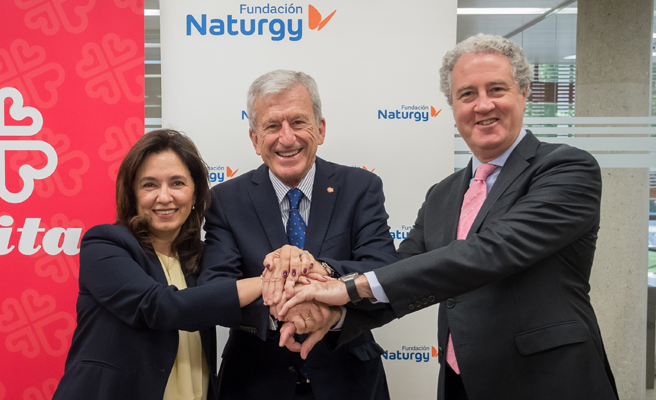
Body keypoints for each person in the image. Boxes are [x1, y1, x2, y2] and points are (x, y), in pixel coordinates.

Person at [279, 34, 619, 400]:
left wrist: (346, 287)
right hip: (460, 383)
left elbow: (490, 251)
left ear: (524, 92)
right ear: (453, 106)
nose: (482, 105)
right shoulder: (443, 193)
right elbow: (405, 272)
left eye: (497, 89)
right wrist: (337, 315)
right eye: (467, 94)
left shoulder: (566, 168)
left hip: (549, 383)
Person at [198, 70, 398, 400]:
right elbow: (216, 289)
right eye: (272, 126)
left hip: (349, 382)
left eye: (298, 122)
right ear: (254, 138)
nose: (287, 138)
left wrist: (321, 271)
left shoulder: (360, 188)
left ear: (320, 129)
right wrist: (287, 309)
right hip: (254, 383)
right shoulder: (225, 200)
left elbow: (384, 271)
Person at [52, 129, 264, 400]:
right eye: (149, 185)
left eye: (177, 183)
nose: (164, 197)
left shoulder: (202, 258)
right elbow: (160, 307)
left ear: (195, 191)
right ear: (132, 192)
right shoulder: (104, 244)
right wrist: (263, 282)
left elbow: (226, 306)